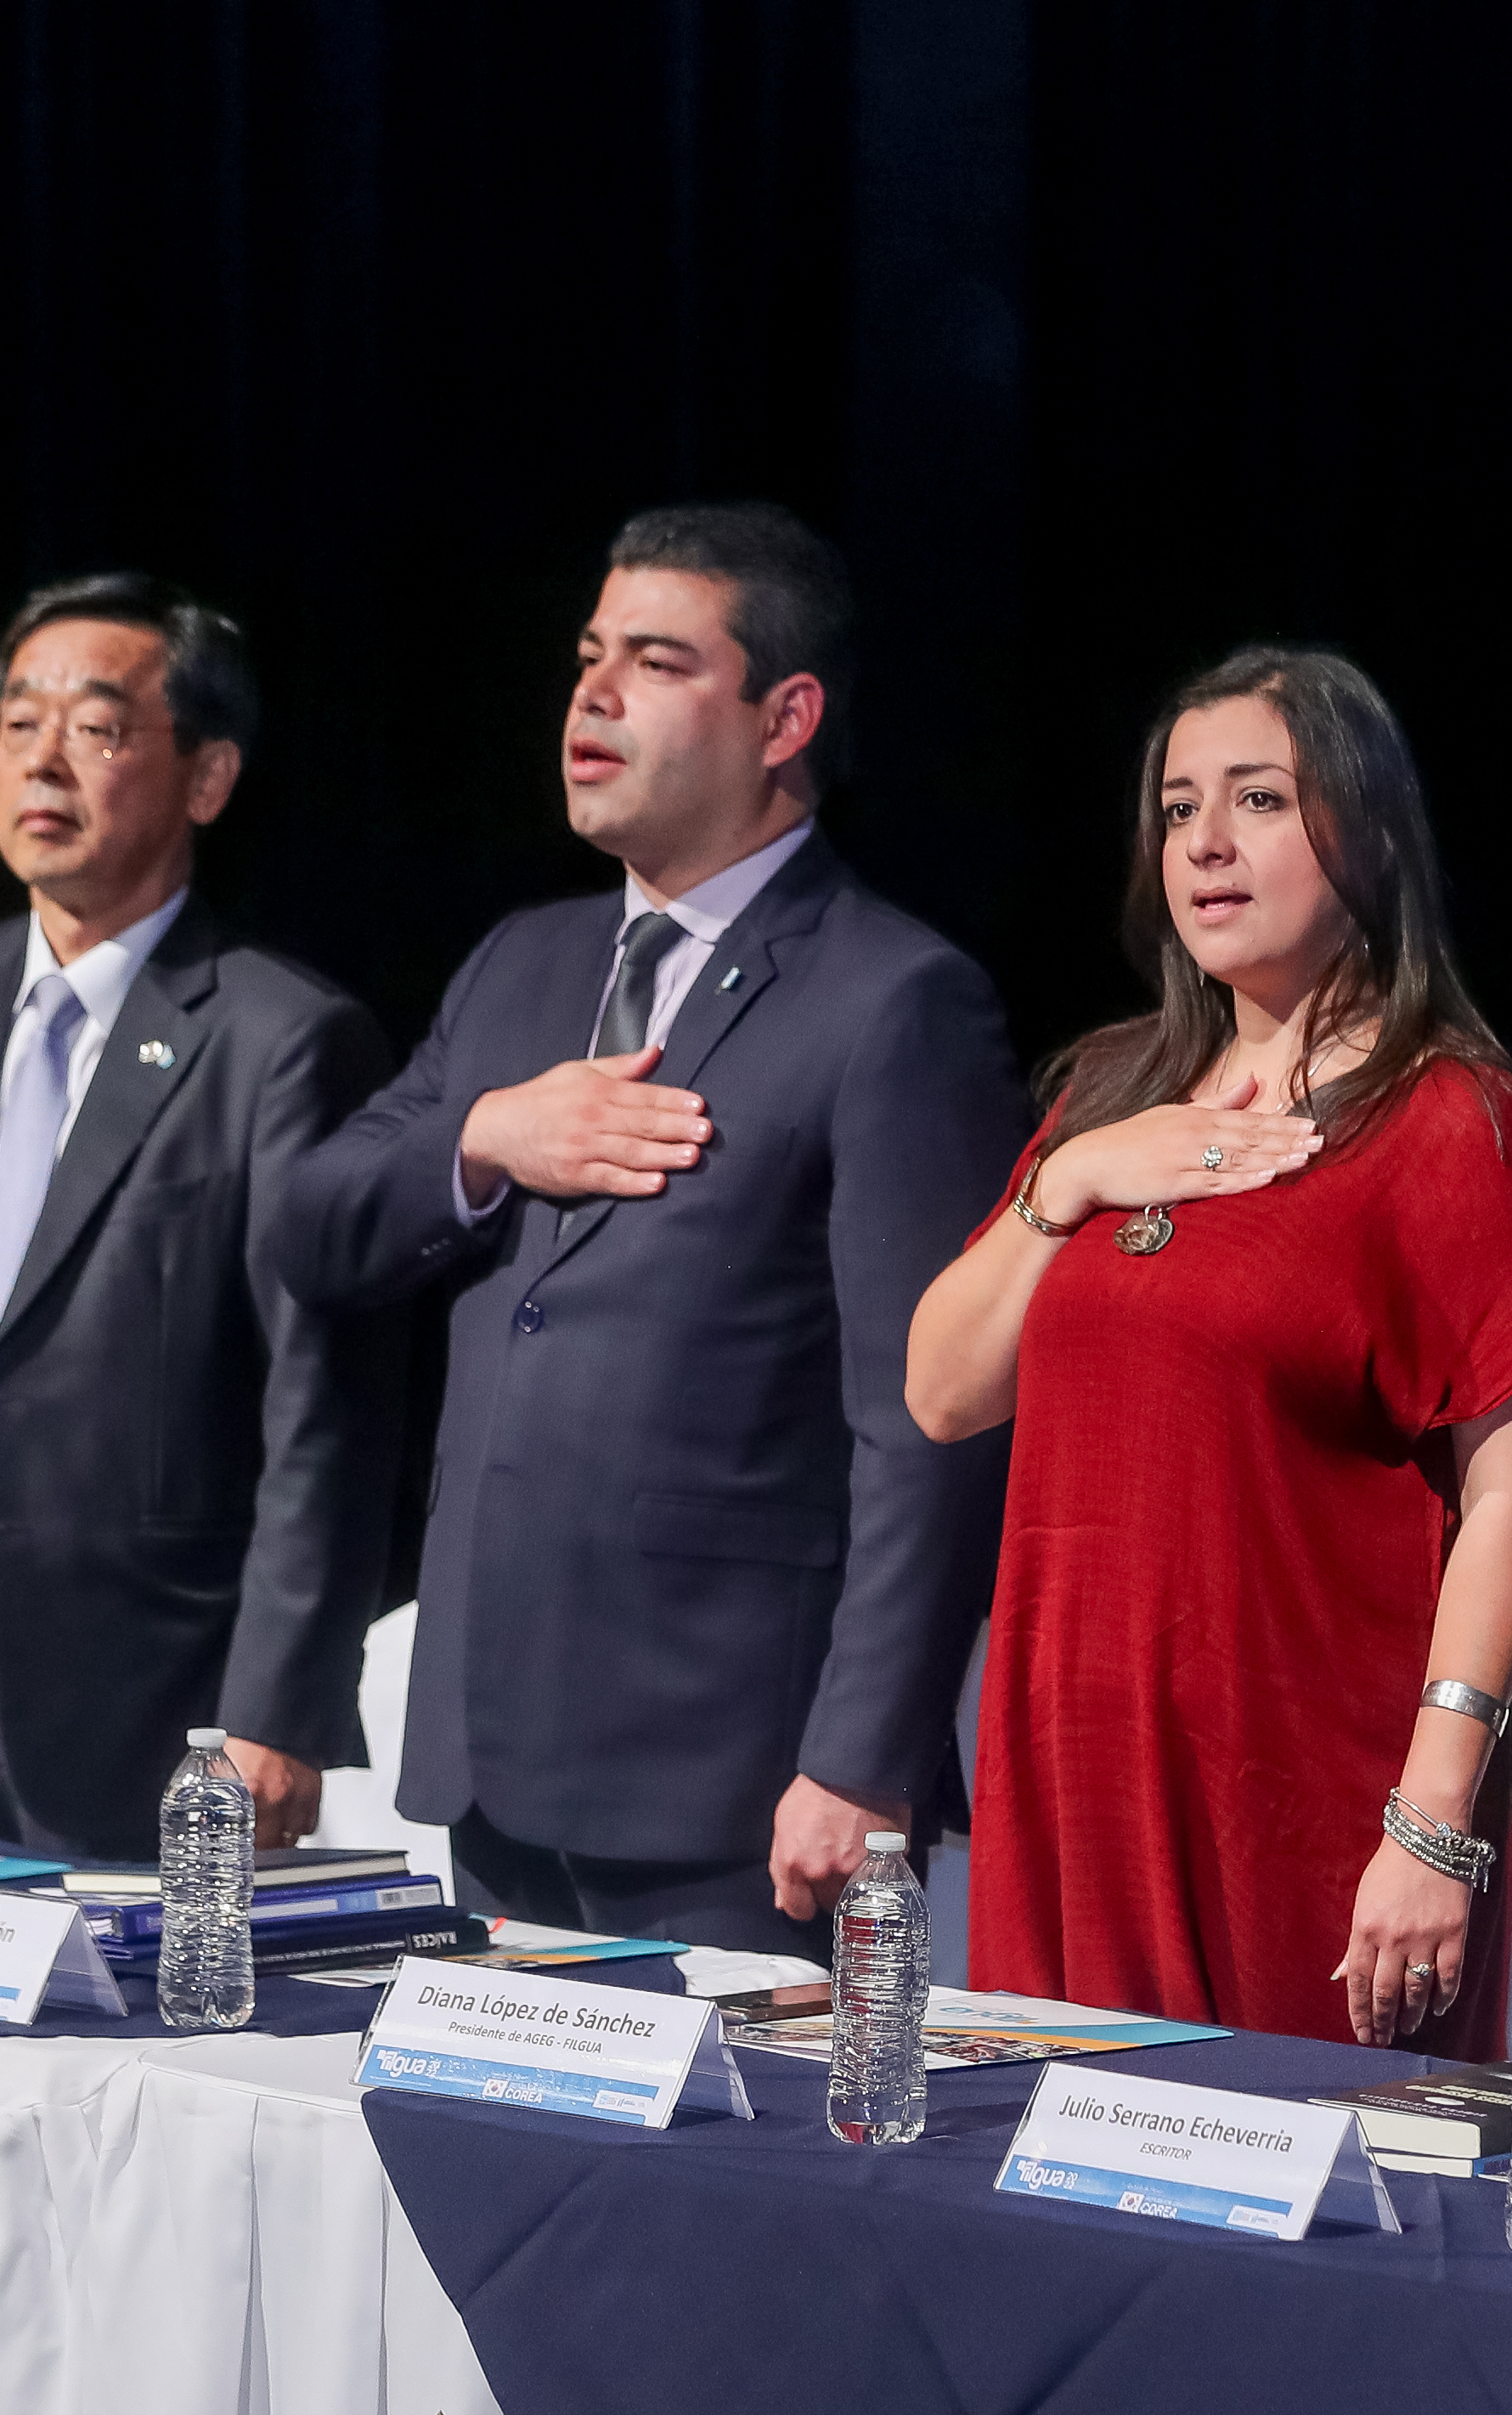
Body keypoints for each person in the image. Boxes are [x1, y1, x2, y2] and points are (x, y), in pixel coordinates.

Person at [261, 505, 1020, 1955]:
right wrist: (484, 1137)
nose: (592, 695)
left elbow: (924, 1422)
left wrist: (862, 1752)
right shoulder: (521, 964)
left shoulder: (892, 999)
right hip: (494, 1754)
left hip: (733, 1779)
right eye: (587, 657)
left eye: (657, 662)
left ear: (783, 714)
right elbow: (312, 1224)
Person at [910, 646, 1512, 2058]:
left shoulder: (1454, 1121)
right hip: (1070, 1779)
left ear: (1374, 834)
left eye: (1261, 800)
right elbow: (941, 1387)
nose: (1206, 843)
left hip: (1297, 1800)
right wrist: (1075, 1175)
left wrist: (1432, 1824)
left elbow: (1511, 1503)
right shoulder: (1109, 1092)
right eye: (1175, 808)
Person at [0, 575, 398, 1859]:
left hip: (156, 1677)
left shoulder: (283, 1038)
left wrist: (278, 1705)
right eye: (15, 721)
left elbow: (322, 1405)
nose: (42, 758)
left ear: (208, 778)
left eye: (96, 728)